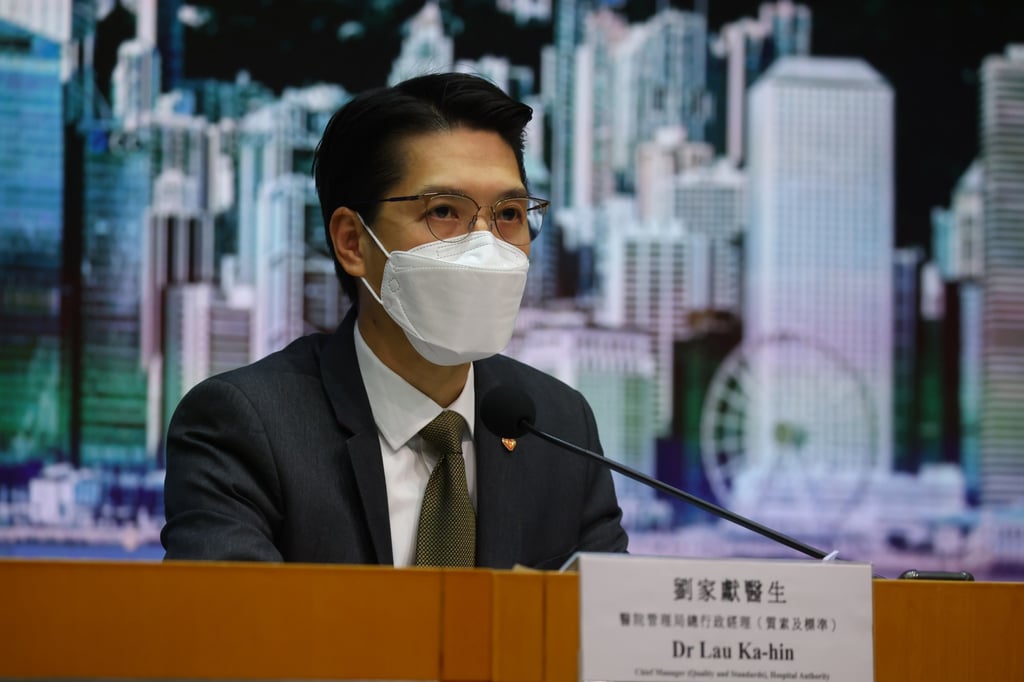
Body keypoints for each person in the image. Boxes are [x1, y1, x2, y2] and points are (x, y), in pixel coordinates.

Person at [161, 72, 628, 568]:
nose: (485, 245)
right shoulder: (245, 426)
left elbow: (605, 635)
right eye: (444, 210)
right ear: (352, 242)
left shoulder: (558, 427)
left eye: (509, 213)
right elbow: (233, 635)